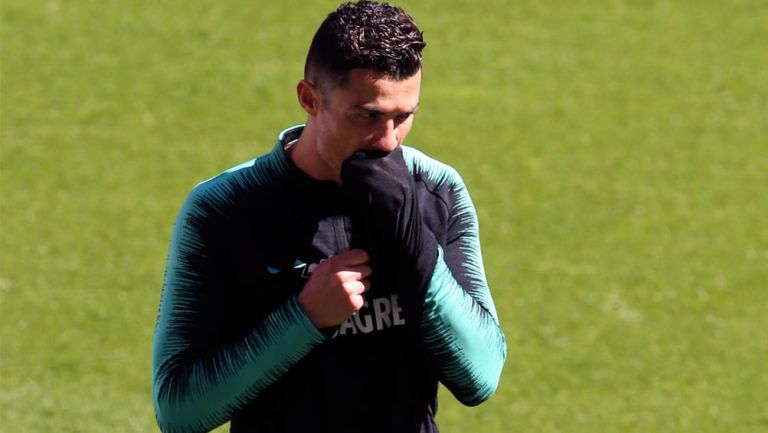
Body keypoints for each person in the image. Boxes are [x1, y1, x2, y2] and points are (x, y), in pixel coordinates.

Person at [151, 1, 506, 432]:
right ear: (309, 98)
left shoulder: (437, 191)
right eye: (367, 116)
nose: (387, 142)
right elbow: (178, 410)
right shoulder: (225, 208)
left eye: (403, 117)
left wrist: (414, 247)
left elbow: (482, 377)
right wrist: (304, 319)